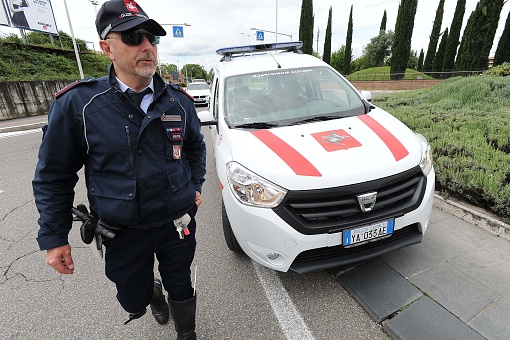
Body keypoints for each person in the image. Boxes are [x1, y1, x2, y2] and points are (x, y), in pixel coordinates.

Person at [32, 1, 206, 339]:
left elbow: (195, 147)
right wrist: (54, 238)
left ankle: (187, 334)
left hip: (176, 221)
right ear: (106, 48)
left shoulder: (178, 101)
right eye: (133, 37)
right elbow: (54, 175)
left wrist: (195, 184)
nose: (147, 46)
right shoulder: (79, 104)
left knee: (181, 283)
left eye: (152, 38)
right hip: (123, 230)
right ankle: (151, 292)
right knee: (133, 298)